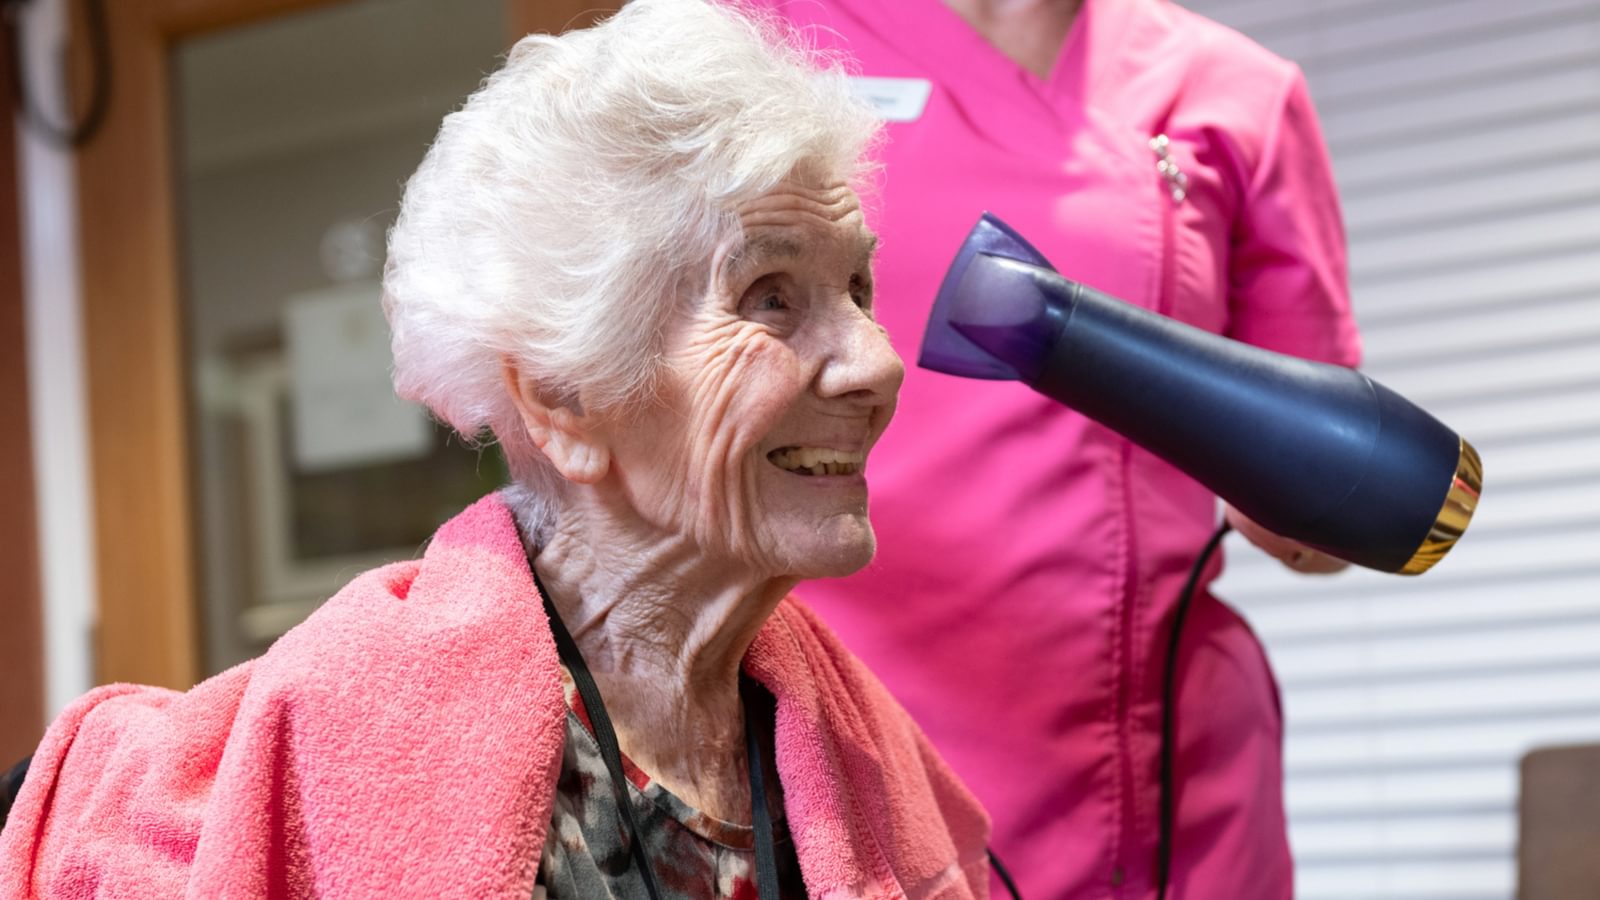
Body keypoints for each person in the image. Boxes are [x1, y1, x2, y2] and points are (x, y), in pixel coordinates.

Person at [0, 3, 994, 897]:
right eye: (769, 297)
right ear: (561, 398)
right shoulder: (335, 741)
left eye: (857, 290)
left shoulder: (848, 747)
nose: (875, 363)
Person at [746, 0, 1361, 897]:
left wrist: (1331, 510)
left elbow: (1321, 502)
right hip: (837, 741)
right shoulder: (752, 37)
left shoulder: (1236, 94)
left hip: (1167, 775)